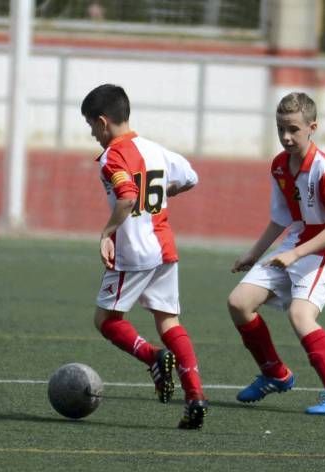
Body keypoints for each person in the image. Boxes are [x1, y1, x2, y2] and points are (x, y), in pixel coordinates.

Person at [81, 83, 208, 430]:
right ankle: (195, 397)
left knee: (106, 321)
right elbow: (190, 177)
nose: (93, 134)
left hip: (134, 251)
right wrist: (164, 193)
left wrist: (107, 232)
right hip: (164, 247)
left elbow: (126, 196)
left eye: (92, 126)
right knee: (169, 323)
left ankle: (152, 357)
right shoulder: (155, 150)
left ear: (104, 122)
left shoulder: (112, 157)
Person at [227, 92, 325, 416]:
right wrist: (254, 253)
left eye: (293, 129)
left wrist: (296, 254)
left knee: (300, 316)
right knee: (239, 302)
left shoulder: (324, 169)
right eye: (280, 129)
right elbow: (281, 218)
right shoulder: (279, 166)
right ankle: (275, 373)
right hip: (297, 242)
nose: (286, 137)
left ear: (312, 127)